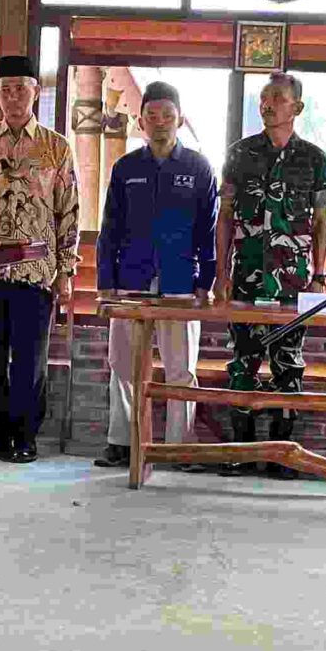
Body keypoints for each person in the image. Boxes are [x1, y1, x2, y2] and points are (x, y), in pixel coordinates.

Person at [0, 54, 77, 464]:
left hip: (36, 271)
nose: (12, 97)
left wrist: (66, 272)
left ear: (35, 93)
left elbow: (69, 211)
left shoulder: (56, 148)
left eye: (20, 89)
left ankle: (25, 438)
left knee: (30, 359)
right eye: (5, 90)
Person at [93, 81, 217, 470]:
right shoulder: (127, 168)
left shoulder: (198, 167)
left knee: (181, 369)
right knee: (124, 363)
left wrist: (205, 283)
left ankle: (180, 446)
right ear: (141, 120)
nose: (160, 122)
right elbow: (109, 227)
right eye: (152, 115)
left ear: (179, 119)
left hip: (181, 281)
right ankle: (122, 441)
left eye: (167, 115)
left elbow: (209, 230)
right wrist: (105, 282)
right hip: (131, 279)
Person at [214, 72, 326, 475]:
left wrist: (320, 274)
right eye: (264, 98)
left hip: (293, 283)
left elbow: (321, 221)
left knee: (289, 364)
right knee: (242, 362)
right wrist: (220, 273)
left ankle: (284, 454)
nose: (267, 104)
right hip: (246, 275)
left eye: (277, 98)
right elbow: (225, 215)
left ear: (296, 108)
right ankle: (241, 451)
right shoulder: (239, 153)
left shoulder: (314, 159)